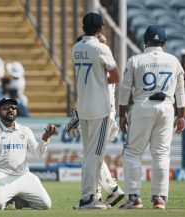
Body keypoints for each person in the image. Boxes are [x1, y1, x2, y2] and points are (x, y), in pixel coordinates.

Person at [118, 25, 185, 209]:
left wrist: (122, 114)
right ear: (164, 42)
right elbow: (180, 90)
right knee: (162, 154)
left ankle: (133, 198)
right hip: (166, 108)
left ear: (144, 41)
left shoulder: (135, 60)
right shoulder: (173, 61)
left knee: (132, 153)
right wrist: (181, 116)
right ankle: (159, 198)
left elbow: (125, 89)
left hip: (142, 106)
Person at [68, 12, 120, 209]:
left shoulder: (76, 48)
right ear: (100, 29)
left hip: (83, 108)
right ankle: (88, 199)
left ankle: (90, 197)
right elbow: (115, 77)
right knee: (95, 156)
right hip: (100, 109)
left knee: (90, 153)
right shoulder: (101, 48)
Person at [0, 97, 55, 210]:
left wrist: (45, 139)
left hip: (23, 175)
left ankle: (19, 200)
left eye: (13, 107)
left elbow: (37, 154)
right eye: (6, 108)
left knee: (46, 205)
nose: (10, 110)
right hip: (1, 174)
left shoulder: (25, 130)